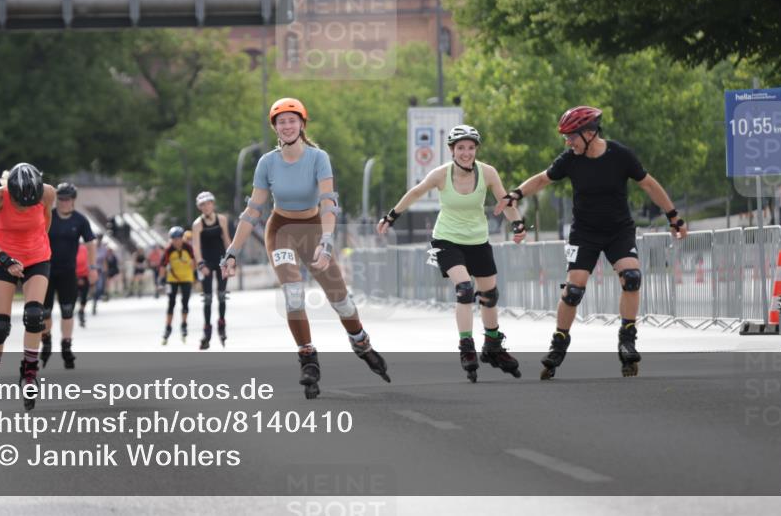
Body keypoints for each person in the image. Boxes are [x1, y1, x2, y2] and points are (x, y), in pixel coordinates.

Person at [494, 106, 688, 378]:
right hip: (584, 233)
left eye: (571, 136)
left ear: (589, 133)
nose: (567, 142)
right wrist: (516, 193)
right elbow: (542, 179)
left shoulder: (620, 155)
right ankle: (559, 344)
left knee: (631, 277)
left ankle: (627, 339)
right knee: (574, 290)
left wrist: (674, 216)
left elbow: (649, 185)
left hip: (618, 230)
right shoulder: (570, 159)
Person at [222, 98, 389, 399]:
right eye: (281, 122)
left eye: (292, 120)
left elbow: (328, 202)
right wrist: (232, 251)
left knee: (341, 301)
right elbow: (253, 211)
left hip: (314, 229)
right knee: (294, 293)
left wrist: (326, 241)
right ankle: (307, 356)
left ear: (302, 124)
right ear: (275, 128)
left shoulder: (317, 157)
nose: (287, 126)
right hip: (281, 230)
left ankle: (361, 341)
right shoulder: (267, 163)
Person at [378, 125, 525, 382]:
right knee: (465, 289)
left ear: (476, 149)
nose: (466, 153)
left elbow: (505, 201)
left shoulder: (488, 172)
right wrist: (391, 216)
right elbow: (415, 193)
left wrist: (519, 224)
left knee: (489, 295)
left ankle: (492, 346)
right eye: (460, 148)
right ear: (451, 150)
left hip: (478, 240)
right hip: (447, 239)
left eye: (470, 148)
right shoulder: (441, 175)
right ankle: (466, 346)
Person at [0, 163, 54, 412]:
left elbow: (46, 223)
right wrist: (7, 260)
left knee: (34, 316)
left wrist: (33, 250)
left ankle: (29, 375)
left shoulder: (48, 193)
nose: (24, 208)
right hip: (1, 257)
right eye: (20, 204)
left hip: (36, 257)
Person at [40, 182, 97, 369]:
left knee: (67, 311)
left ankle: (66, 346)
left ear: (73, 200)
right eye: (61, 199)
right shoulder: (48, 216)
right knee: (44, 312)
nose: (64, 202)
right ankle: (46, 340)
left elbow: (90, 243)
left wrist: (93, 267)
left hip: (67, 272)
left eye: (68, 199)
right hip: (46, 271)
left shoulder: (80, 220)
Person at [191, 191, 232, 349]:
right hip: (206, 262)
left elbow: (227, 239)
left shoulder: (221, 219)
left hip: (221, 260)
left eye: (208, 203)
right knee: (207, 298)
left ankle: (221, 323)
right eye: (203, 205)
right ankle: (207, 330)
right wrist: (200, 263)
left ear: (213, 204)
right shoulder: (197, 224)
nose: (206, 207)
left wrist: (231, 258)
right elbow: (196, 246)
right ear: (199, 207)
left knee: (222, 295)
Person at [159, 226, 196, 344]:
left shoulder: (188, 248)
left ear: (182, 238)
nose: (176, 241)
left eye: (178, 238)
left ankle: (184, 325)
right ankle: (168, 328)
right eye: (173, 239)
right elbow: (162, 266)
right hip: (172, 279)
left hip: (186, 278)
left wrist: (195, 271)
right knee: (171, 303)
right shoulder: (168, 250)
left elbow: (194, 260)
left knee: (185, 303)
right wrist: (161, 280)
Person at [75, 238, 91, 328]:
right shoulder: (72, 249)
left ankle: (81, 311)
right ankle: (79, 311)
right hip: (74, 275)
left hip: (83, 275)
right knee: (77, 296)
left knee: (84, 296)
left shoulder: (84, 249)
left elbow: (87, 262)